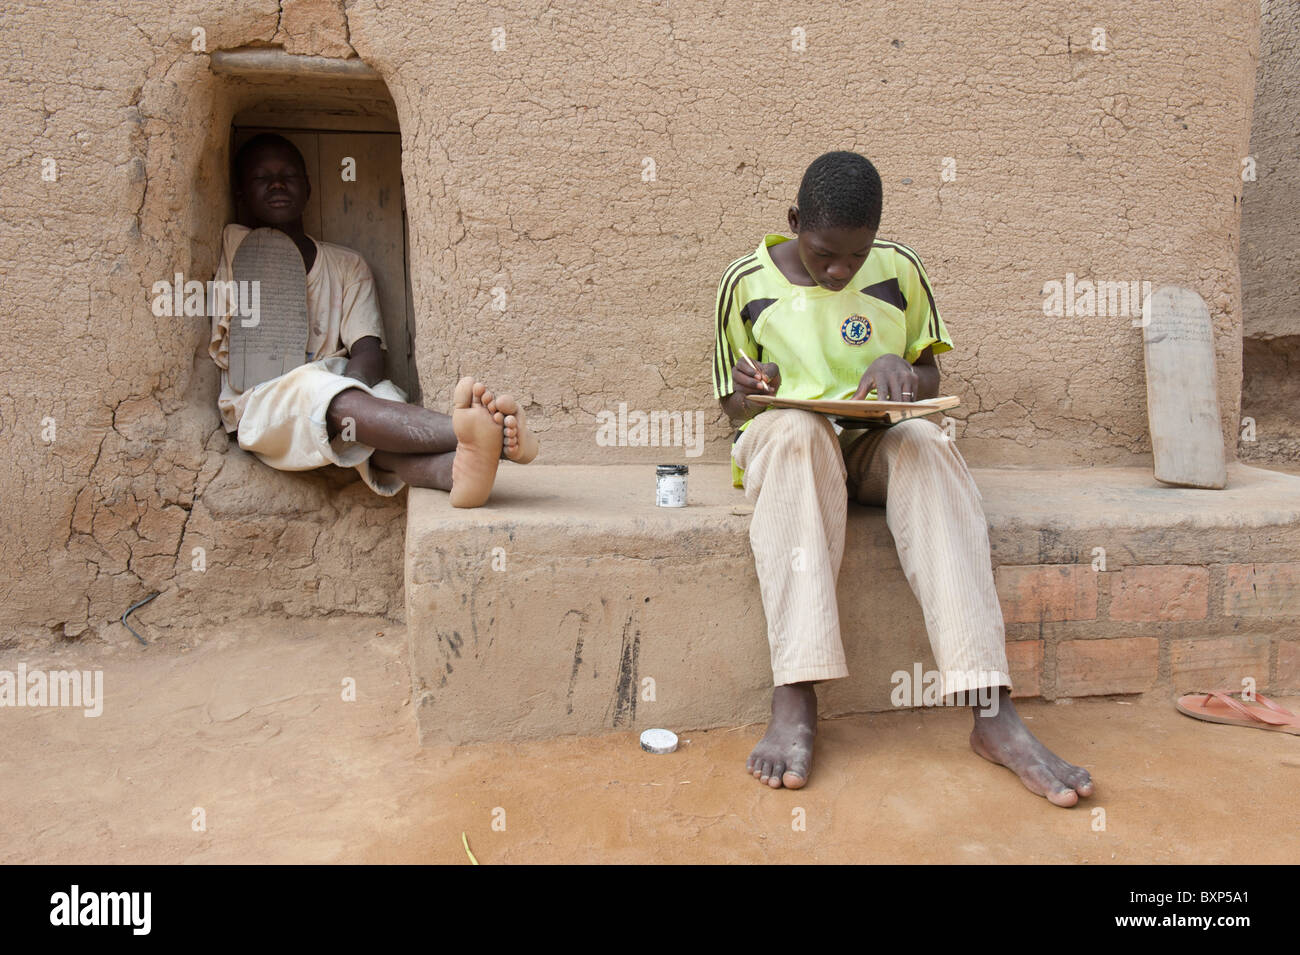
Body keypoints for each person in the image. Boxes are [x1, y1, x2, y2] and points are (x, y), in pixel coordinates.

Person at [712, 150, 1094, 806]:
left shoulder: (901, 270)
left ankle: (991, 709)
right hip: (792, 448)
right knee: (798, 432)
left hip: (873, 447)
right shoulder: (744, 281)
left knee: (925, 442)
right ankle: (796, 695)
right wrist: (755, 388)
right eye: (823, 253)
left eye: (854, 258)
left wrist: (901, 371)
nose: (839, 271)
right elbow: (731, 402)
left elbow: (929, 378)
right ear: (793, 220)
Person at [209, 133, 537, 506]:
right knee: (323, 395)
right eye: (261, 178)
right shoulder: (236, 246)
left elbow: (367, 353)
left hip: (338, 386)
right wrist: (344, 403)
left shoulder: (348, 265)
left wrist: (359, 404)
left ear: (309, 187)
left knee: (373, 410)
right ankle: (480, 434)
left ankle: (454, 470)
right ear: (240, 194)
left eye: (289, 175)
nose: (278, 184)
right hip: (262, 401)